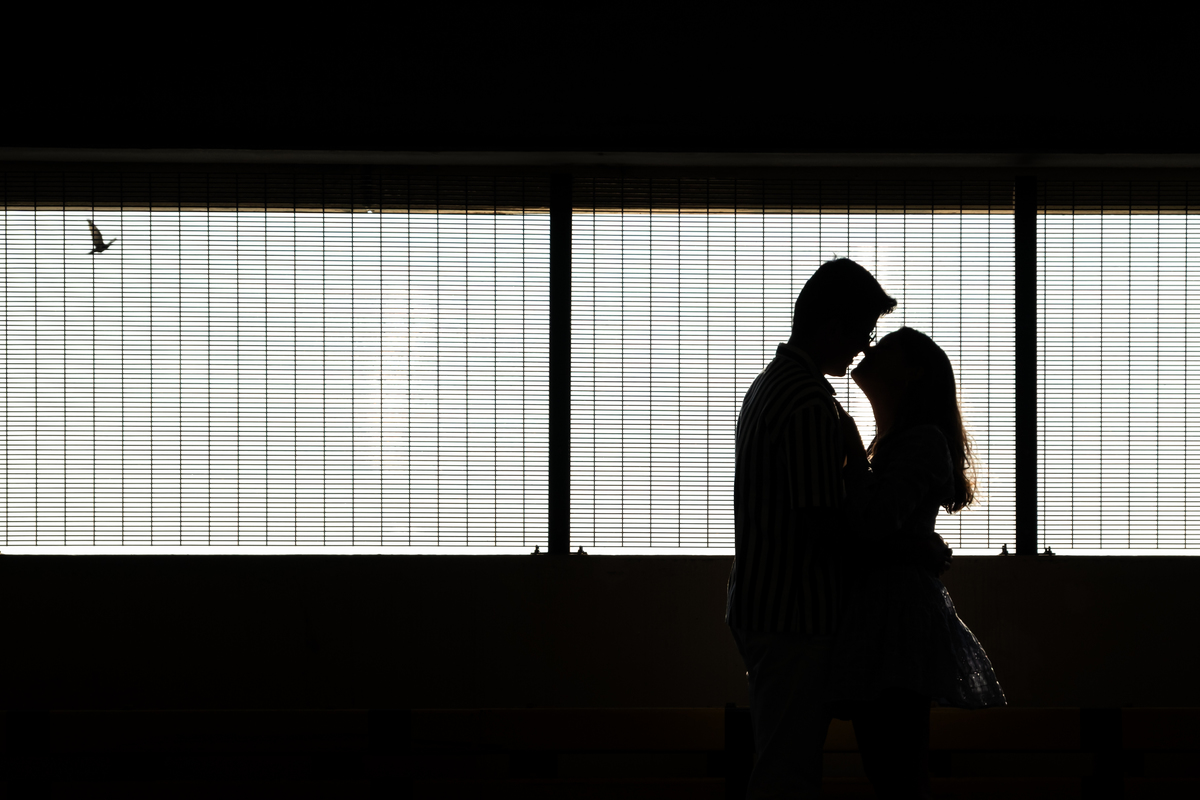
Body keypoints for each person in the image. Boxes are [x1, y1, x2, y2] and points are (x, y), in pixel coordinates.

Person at [726, 258, 897, 798]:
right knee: (788, 773)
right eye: (863, 331)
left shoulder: (772, 385)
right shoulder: (807, 403)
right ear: (832, 325)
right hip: (795, 618)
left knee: (782, 761)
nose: (865, 348)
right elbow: (823, 525)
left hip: (767, 607)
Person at [830, 326, 1006, 799]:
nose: (869, 348)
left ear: (912, 373)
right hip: (884, 617)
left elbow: (873, 522)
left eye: (886, 346)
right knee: (890, 769)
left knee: (897, 772)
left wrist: (851, 449)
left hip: (897, 621)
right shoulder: (894, 444)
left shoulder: (921, 441)